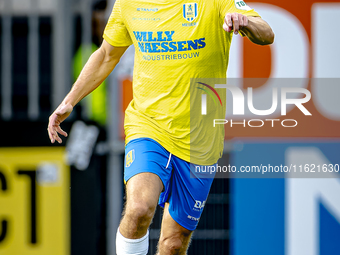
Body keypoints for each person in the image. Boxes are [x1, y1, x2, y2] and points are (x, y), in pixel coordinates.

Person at [48, 0, 274, 254]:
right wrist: (70, 101)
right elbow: (106, 55)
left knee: (173, 243)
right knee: (139, 208)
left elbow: (266, 33)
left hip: (200, 138)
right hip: (148, 126)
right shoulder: (129, 4)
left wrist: (246, 23)